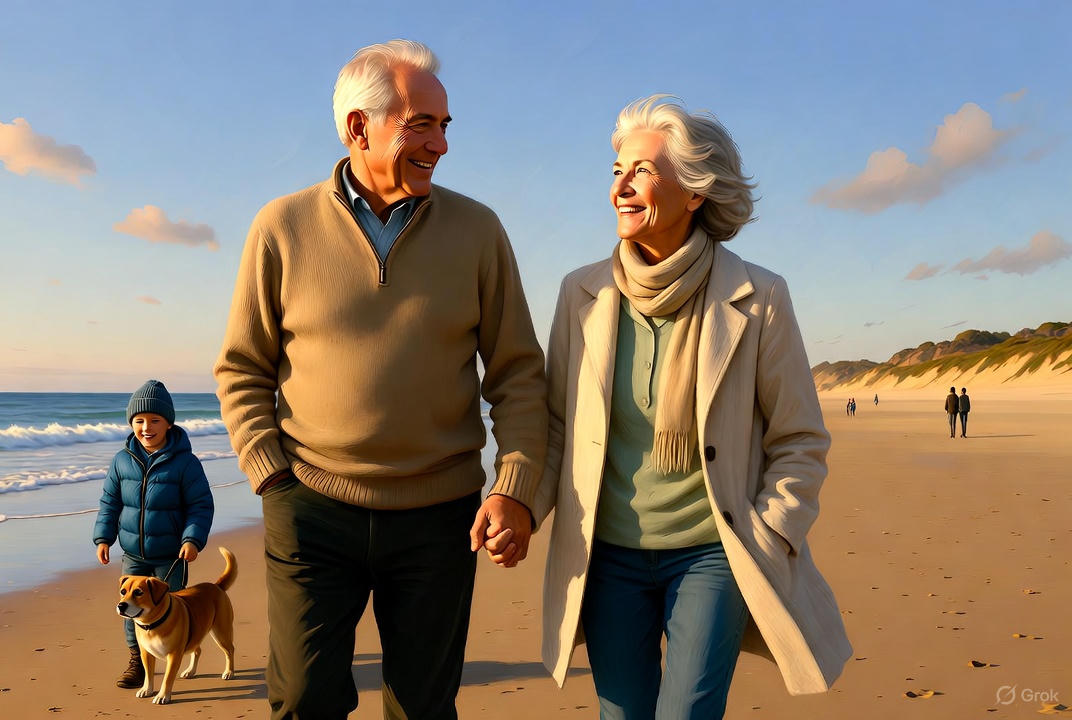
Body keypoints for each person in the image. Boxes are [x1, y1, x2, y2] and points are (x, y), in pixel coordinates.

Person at [214, 39, 547, 719]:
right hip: (310, 507)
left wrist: (514, 488)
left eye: (445, 125)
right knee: (304, 702)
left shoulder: (479, 231)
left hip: (440, 516)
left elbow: (517, 375)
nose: (441, 144)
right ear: (357, 127)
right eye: (420, 124)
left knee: (423, 710)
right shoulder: (280, 227)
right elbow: (243, 367)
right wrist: (272, 479)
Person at [534, 95, 850, 718]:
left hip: (713, 552)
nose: (622, 186)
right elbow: (556, 427)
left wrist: (770, 531)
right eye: (617, 170)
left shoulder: (758, 297)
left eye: (644, 171)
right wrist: (518, 504)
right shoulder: (581, 294)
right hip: (608, 556)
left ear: (696, 192)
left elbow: (799, 439)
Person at [93, 379, 215, 688]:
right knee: (131, 609)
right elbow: (110, 501)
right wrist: (104, 537)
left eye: (155, 420)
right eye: (139, 421)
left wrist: (192, 539)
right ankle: (137, 661)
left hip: (171, 555)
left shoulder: (186, 463)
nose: (147, 427)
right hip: (133, 553)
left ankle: (177, 652)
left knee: (171, 612)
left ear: (168, 423)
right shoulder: (122, 460)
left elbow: (200, 504)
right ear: (131, 423)